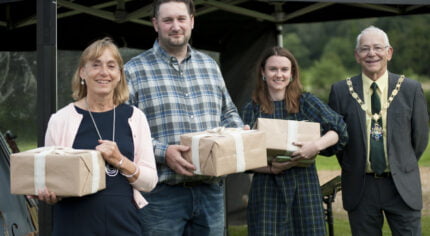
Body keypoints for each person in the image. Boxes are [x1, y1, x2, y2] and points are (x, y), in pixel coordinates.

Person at [125, 0, 244, 235]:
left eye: (181, 19)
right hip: (160, 194)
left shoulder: (209, 66)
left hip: (211, 190)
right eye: (168, 20)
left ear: (192, 21)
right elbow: (123, 131)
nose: (175, 26)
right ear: (155, 24)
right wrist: (163, 152)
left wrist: (238, 133)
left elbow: (228, 113)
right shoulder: (133, 70)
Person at [37, 37, 158, 235]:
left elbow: (149, 182)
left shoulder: (135, 117)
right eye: (96, 65)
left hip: (124, 224)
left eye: (111, 66)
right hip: (74, 225)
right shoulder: (61, 119)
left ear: (119, 75)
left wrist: (119, 160)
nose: (104, 72)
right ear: (82, 72)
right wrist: (51, 194)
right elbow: (50, 179)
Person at [328, 26, 429, 235]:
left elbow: (419, 138)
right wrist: (352, 164)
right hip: (360, 186)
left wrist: (401, 162)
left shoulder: (410, 89)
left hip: (401, 186)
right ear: (357, 56)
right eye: (364, 49)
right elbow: (337, 140)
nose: (371, 53)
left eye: (377, 48)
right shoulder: (341, 91)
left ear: (389, 52)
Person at [241, 46, 348, 235]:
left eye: (284, 70)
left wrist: (315, 146)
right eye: (273, 69)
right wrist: (272, 168)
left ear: (292, 74)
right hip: (266, 187)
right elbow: (243, 157)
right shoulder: (252, 109)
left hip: (304, 184)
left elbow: (338, 130)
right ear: (263, 72)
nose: (279, 74)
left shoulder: (306, 102)